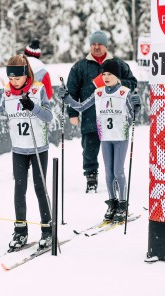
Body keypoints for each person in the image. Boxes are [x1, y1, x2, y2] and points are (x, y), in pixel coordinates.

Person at [0, 54, 53, 250]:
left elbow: (48, 117)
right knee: (19, 189)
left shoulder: (38, 89)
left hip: (38, 148)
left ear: (25, 75)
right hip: (19, 149)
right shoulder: (6, 92)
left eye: (17, 78)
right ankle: (20, 230)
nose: (14, 82)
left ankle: (47, 229)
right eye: (11, 79)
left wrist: (33, 107)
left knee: (40, 188)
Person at [59, 59, 141, 221]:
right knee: (109, 173)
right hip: (105, 138)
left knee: (118, 171)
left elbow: (133, 117)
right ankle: (112, 203)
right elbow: (81, 107)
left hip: (120, 136)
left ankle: (123, 205)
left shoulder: (125, 92)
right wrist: (67, 98)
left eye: (110, 74)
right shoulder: (98, 93)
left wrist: (137, 106)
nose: (106, 77)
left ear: (117, 76)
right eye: (103, 74)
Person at [66, 30, 137, 193]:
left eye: (100, 44)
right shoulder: (80, 66)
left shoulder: (118, 64)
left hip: (115, 119)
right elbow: (72, 90)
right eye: (93, 44)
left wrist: (117, 81)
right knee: (89, 149)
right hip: (91, 117)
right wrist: (73, 113)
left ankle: (116, 179)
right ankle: (91, 177)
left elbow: (133, 83)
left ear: (106, 46)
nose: (96, 47)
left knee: (114, 152)